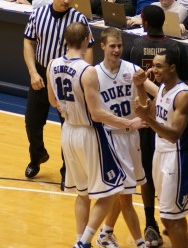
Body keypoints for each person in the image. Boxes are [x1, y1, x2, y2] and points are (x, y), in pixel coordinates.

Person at [46, 22, 146, 248]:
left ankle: (79, 239)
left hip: (67, 131)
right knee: (114, 189)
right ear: (85, 41)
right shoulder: (87, 70)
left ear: (65, 39)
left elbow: (53, 101)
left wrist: (65, 108)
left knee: (82, 193)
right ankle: (85, 241)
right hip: (88, 134)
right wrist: (128, 122)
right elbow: (97, 113)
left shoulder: (52, 64)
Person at [122, 4, 188, 247]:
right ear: (165, 20)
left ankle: (151, 222)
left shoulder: (133, 45)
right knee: (158, 172)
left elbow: (130, 81)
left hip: (146, 116)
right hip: (164, 114)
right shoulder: (176, 47)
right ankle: (167, 217)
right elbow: (181, 81)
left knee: (147, 173)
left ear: (143, 21)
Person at [23, 0, 93, 187]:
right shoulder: (38, 14)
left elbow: (89, 47)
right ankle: (37, 156)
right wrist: (33, 72)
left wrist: (83, 75)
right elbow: (28, 41)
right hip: (42, 74)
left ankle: (67, 170)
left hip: (66, 77)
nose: (66, 1)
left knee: (68, 127)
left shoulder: (79, 19)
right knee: (32, 122)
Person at [94, 27, 158, 248]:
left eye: (119, 46)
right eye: (112, 46)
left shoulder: (132, 70)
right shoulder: (94, 74)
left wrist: (142, 89)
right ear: (102, 46)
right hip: (110, 137)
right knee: (126, 195)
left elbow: (156, 94)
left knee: (122, 192)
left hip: (132, 137)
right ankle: (140, 242)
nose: (117, 50)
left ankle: (105, 233)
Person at [134, 49, 188, 248]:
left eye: (158, 66)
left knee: (171, 218)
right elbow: (149, 110)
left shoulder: (183, 95)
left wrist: (148, 119)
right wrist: (139, 87)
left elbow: (174, 134)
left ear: (173, 67)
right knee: (169, 216)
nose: (154, 70)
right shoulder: (162, 88)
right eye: (153, 65)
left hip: (177, 156)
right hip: (159, 153)